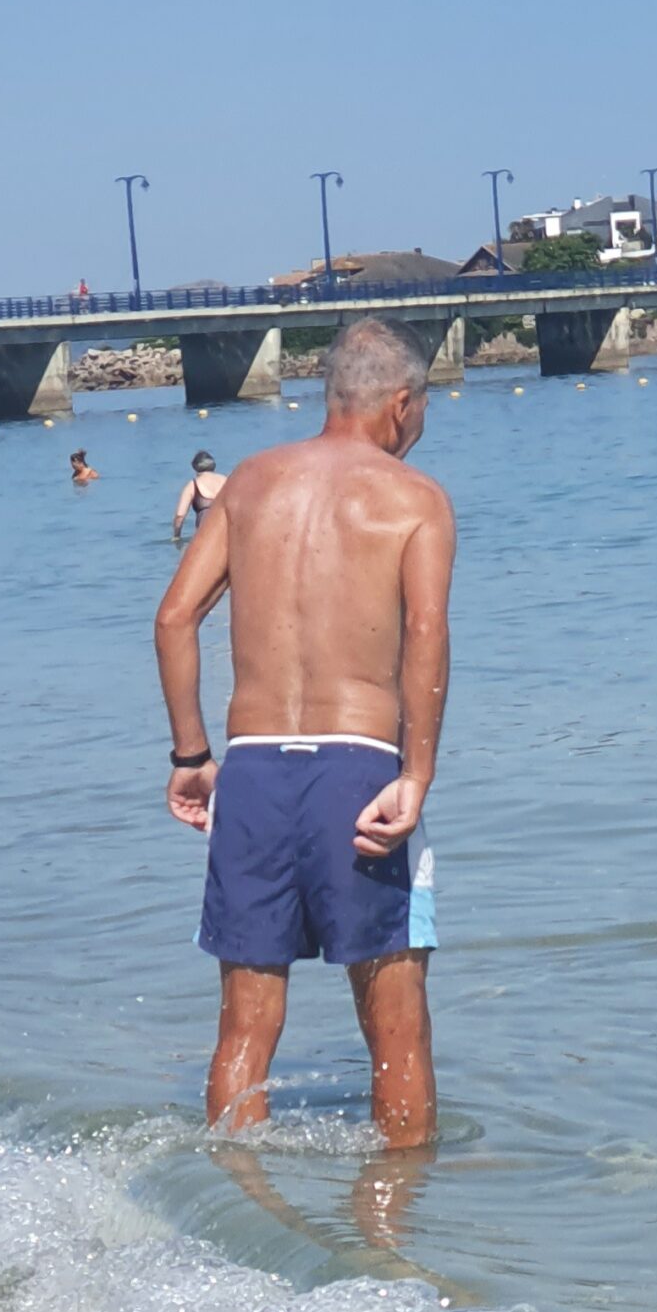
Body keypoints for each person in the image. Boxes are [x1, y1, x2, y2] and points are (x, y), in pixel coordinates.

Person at [155, 316, 455, 1149]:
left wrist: (191, 757)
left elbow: (175, 618)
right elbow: (427, 632)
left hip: (251, 773)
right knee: (396, 1037)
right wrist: (418, 774)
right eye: (422, 409)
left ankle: (237, 1213)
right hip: (359, 769)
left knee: (245, 1030)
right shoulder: (415, 498)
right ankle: (390, 1237)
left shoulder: (249, 482)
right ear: (400, 406)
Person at [171, 450, 226, 539]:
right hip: (227, 532)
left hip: (206, 535)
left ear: (195, 467)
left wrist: (176, 536)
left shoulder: (192, 485)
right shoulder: (227, 480)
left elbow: (179, 516)